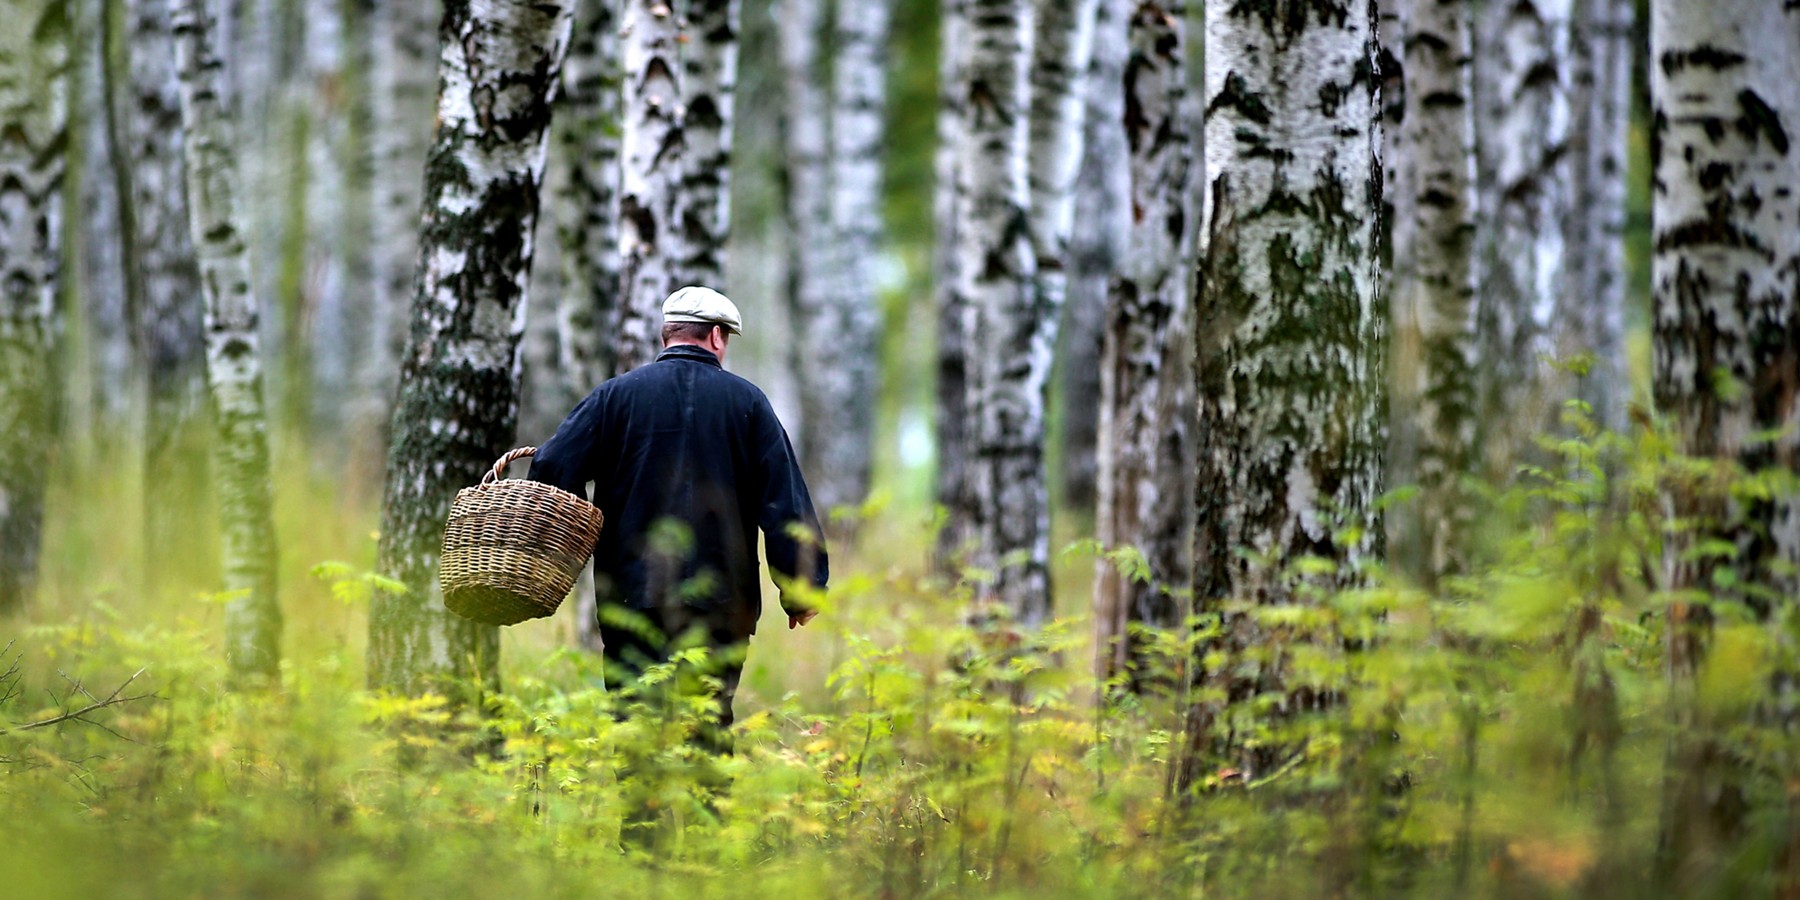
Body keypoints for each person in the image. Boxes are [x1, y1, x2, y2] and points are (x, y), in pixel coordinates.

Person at [528, 285, 828, 746]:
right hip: (722, 603)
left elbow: (550, 465)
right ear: (715, 336)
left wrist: (572, 541)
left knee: (636, 733)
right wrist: (801, 588)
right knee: (707, 731)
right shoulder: (749, 403)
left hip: (631, 597)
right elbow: (783, 502)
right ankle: (705, 815)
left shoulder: (614, 397)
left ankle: (641, 818)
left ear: (667, 335)